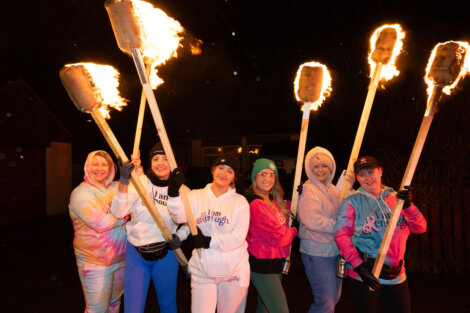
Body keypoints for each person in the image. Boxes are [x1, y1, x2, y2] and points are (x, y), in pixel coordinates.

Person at [334, 156, 427, 313]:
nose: (368, 178)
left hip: (396, 274)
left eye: (371, 172)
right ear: (356, 178)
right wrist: (359, 267)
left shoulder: (396, 198)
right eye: (362, 174)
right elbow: (341, 236)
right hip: (365, 275)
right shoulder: (352, 202)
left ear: (380, 172)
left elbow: (420, 228)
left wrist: (409, 206)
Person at [167, 152, 250, 313]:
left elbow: (238, 238)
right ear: (212, 170)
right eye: (221, 167)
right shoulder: (196, 196)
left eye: (229, 171)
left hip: (233, 270)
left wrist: (207, 241)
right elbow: (181, 218)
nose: (224, 173)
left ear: (234, 177)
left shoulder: (240, 202)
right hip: (203, 267)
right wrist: (173, 194)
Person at [110, 143, 182, 313]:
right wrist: (124, 180)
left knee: (168, 306)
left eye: (165, 158)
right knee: (133, 308)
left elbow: (183, 220)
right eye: (156, 158)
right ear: (150, 163)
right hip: (137, 253)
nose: (160, 163)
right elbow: (119, 212)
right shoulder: (140, 182)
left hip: (166, 254)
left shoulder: (180, 188)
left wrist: (181, 236)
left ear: (172, 162)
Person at [69, 150, 128, 313]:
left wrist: (135, 168)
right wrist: (125, 214)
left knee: (115, 304)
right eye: (95, 164)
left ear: (111, 168)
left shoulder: (117, 186)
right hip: (95, 262)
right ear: (87, 167)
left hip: (121, 260)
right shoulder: (80, 194)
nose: (99, 168)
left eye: (104, 164)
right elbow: (101, 222)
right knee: (97, 309)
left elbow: (140, 190)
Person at [297, 146, 353, 313]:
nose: (320, 170)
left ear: (331, 168)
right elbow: (312, 221)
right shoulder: (308, 190)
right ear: (309, 169)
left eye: (324, 166)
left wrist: (350, 189)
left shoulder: (334, 190)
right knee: (325, 300)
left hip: (335, 251)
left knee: (334, 297)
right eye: (316, 166)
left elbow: (350, 203)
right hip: (317, 252)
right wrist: (340, 226)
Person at [244, 158, 298, 313]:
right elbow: (279, 237)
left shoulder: (271, 201)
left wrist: (300, 196)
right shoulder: (255, 203)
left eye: (271, 175)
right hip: (262, 265)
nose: (267, 179)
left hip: (275, 263)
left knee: (265, 310)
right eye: (262, 174)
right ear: (255, 177)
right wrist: (295, 230)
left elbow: (287, 210)